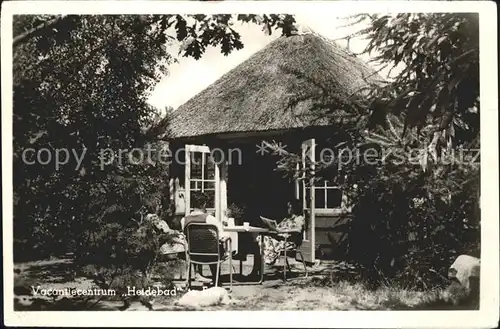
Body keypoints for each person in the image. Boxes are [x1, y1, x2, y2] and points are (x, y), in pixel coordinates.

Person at [181, 195, 230, 285]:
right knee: (215, 246)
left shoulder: (184, 220)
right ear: (204, 204)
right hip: (212, 255)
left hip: (193, 255)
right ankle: (216, 281)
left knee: (206, 245)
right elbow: (222, 237)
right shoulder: (210, 219)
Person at [254, 199, 305, 268]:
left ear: (294, 208)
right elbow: (278, 228)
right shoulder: (287, 218)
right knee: (261, 238)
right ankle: (257, 270)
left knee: (262, 241)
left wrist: (283, 231)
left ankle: (258, 270)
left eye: (289, 207)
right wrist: (272, 227)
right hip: (280, 238)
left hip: (289, 242)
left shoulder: (299, 218)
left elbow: (298, 229)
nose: (288, 209)